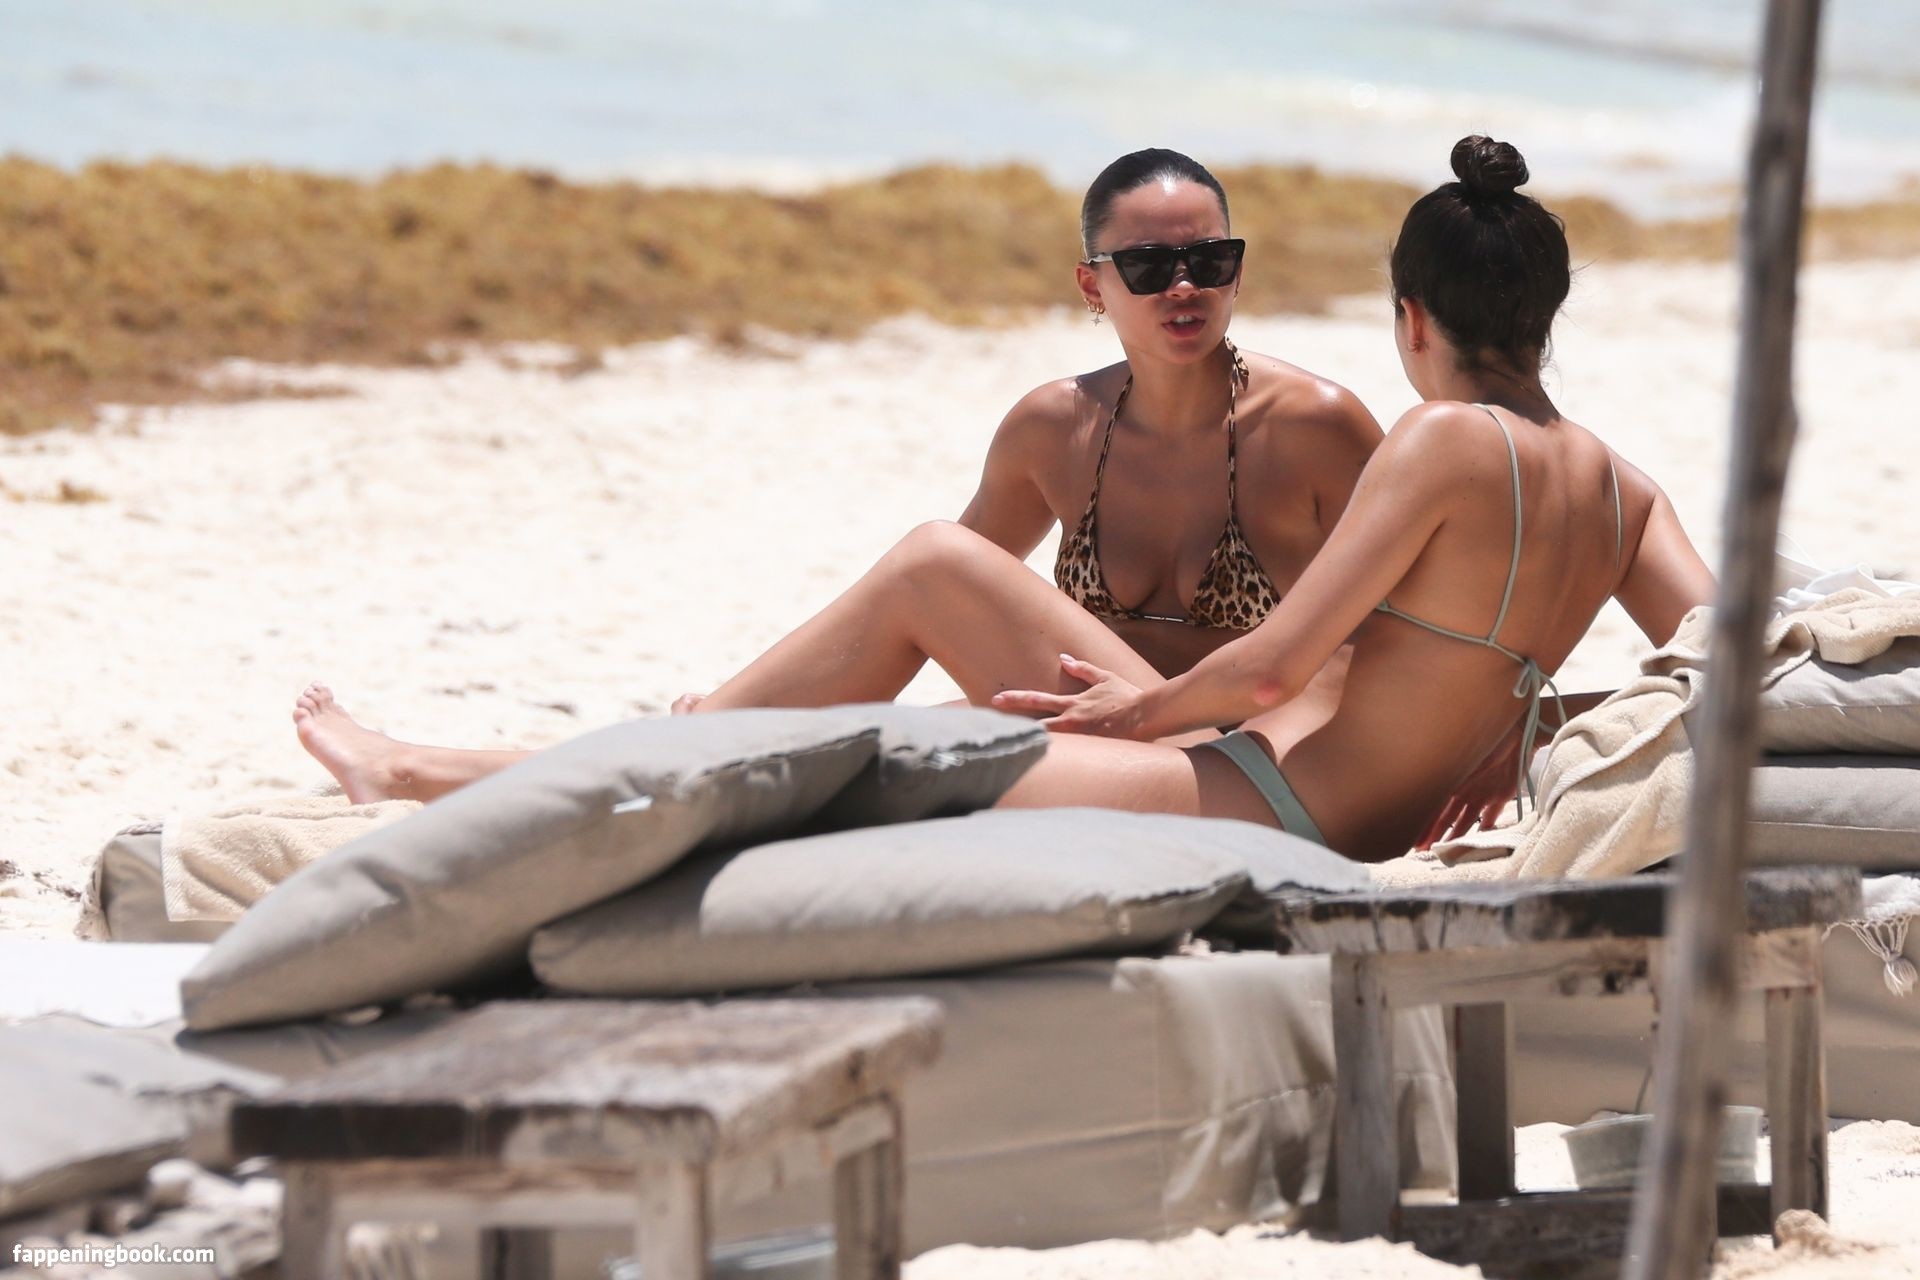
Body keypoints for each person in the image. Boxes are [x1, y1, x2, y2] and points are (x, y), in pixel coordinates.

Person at [294, 148, 1385, 803]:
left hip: (1238, 762)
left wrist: (1476, 743)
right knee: (798, 725)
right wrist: (764, 709)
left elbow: (1434, 615)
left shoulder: (1313, 425)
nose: (1185, 286)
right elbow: (913, 624)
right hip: (1101, 741)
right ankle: (468, 769)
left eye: (1210, 259)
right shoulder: (1055, 429)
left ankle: (431, 771)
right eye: (1149, 265)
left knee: (927, 565)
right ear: (1091, 288)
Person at [984, 136, 1716, 860]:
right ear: (1550, 310)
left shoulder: (1441, 438)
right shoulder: (1629, 496)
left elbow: (1271, 673)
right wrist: (1545, 728)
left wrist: (1134, 714)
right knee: (957, 735)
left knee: (938, 759)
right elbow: (1732, 679)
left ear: (1413, 319)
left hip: (1270, 797)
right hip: (1372, 823)